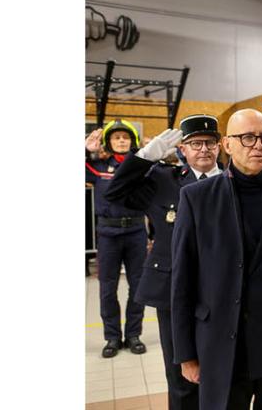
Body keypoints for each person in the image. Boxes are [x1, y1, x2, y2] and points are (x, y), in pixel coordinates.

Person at [171, 109, 262, 410]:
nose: (258, 145)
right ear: (227, 144)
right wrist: (186, 354)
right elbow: (183, 280)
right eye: (248, 137)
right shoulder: (198, 198)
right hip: (224, 343)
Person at [105, 114, 223, 409]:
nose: (204, 149)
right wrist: (144, 157)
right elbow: (115, 192)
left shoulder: (233, 182)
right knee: (181, 378)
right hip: (173, 292)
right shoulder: (164, 179)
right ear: (182, 149)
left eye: (210, 143)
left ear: (220, 146)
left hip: (223, 291)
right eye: (195, 143)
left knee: (222, 372)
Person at [85, 119, 148, 359]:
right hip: (108, 235)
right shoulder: (98, 167)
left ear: (132, 141)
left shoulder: (141, 167)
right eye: (116, 137)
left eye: (125, 137)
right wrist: (85, 151)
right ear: (108, 142)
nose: (121, 140)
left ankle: (133, 335)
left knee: (138, 286)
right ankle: (112, 337)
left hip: (136, 232)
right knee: (107, 288)